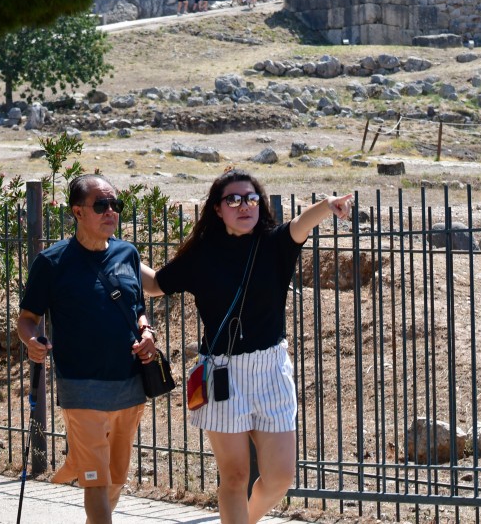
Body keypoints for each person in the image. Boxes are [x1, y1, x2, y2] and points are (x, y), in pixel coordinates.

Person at [141, 169, 352, 524]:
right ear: (217, 208)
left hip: (270, 369)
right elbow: (156, 285)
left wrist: (328, 206)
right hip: (221, 374)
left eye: (251, 198)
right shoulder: (202, 254)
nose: (244, 205)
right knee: (236, 476)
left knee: (280, 478)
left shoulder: (274, 244)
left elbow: (301, 224)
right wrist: (119, 253)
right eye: (234, 199)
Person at [17, 174, 159, 524]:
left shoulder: (128, 253)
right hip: (80, 388)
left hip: (129, 384)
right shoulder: (51, 262)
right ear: (77, 212)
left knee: (115, 479)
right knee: (95, 482)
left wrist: (147, 332)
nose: (111, 211)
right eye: (101, 205)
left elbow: (136, 308)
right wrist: (31, 341)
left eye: (115, 204)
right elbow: (27, 318)